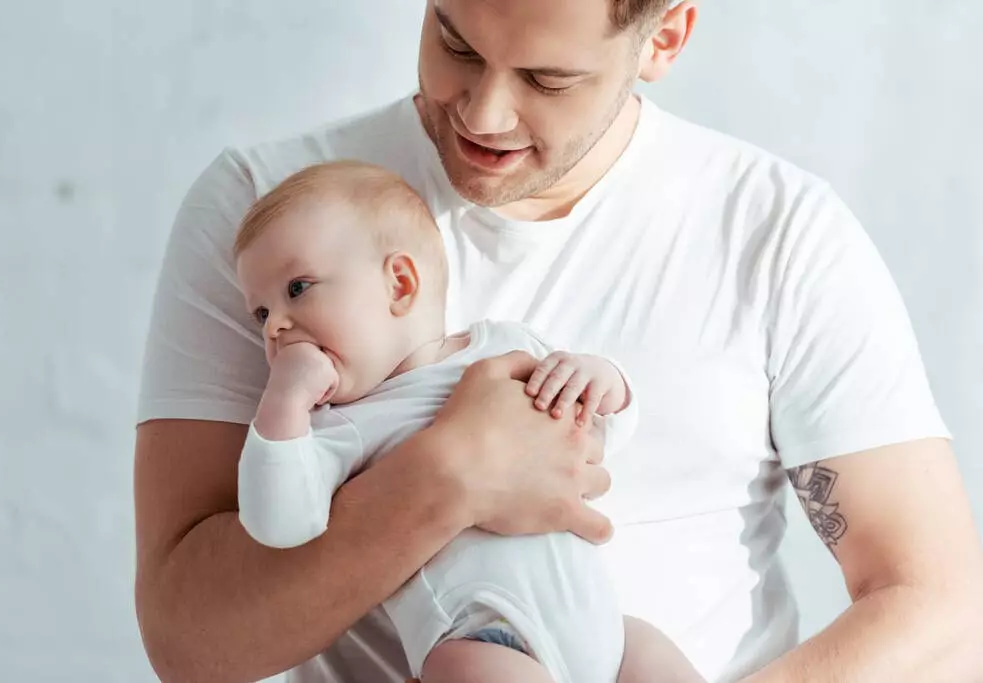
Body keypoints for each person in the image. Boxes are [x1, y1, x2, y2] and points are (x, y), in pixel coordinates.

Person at [134, 1, 983, 682]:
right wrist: (446, 478)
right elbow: (190, 643)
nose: (483, 112)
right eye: (455, 44)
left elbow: (940, 609)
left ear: (664, 37)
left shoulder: (774, 229)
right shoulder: (272, 226)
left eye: (548, 76)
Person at [232, 159, 705, 683]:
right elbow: (280, 524)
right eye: (260, 314)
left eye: (297, 288)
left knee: (655, 652)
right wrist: (284, 404)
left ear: (400, 284)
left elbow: (600, 434)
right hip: (481, 640)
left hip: (609, 638)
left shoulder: (507, 347)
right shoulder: (338, 427)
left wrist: (603, 380)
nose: (275, 326)